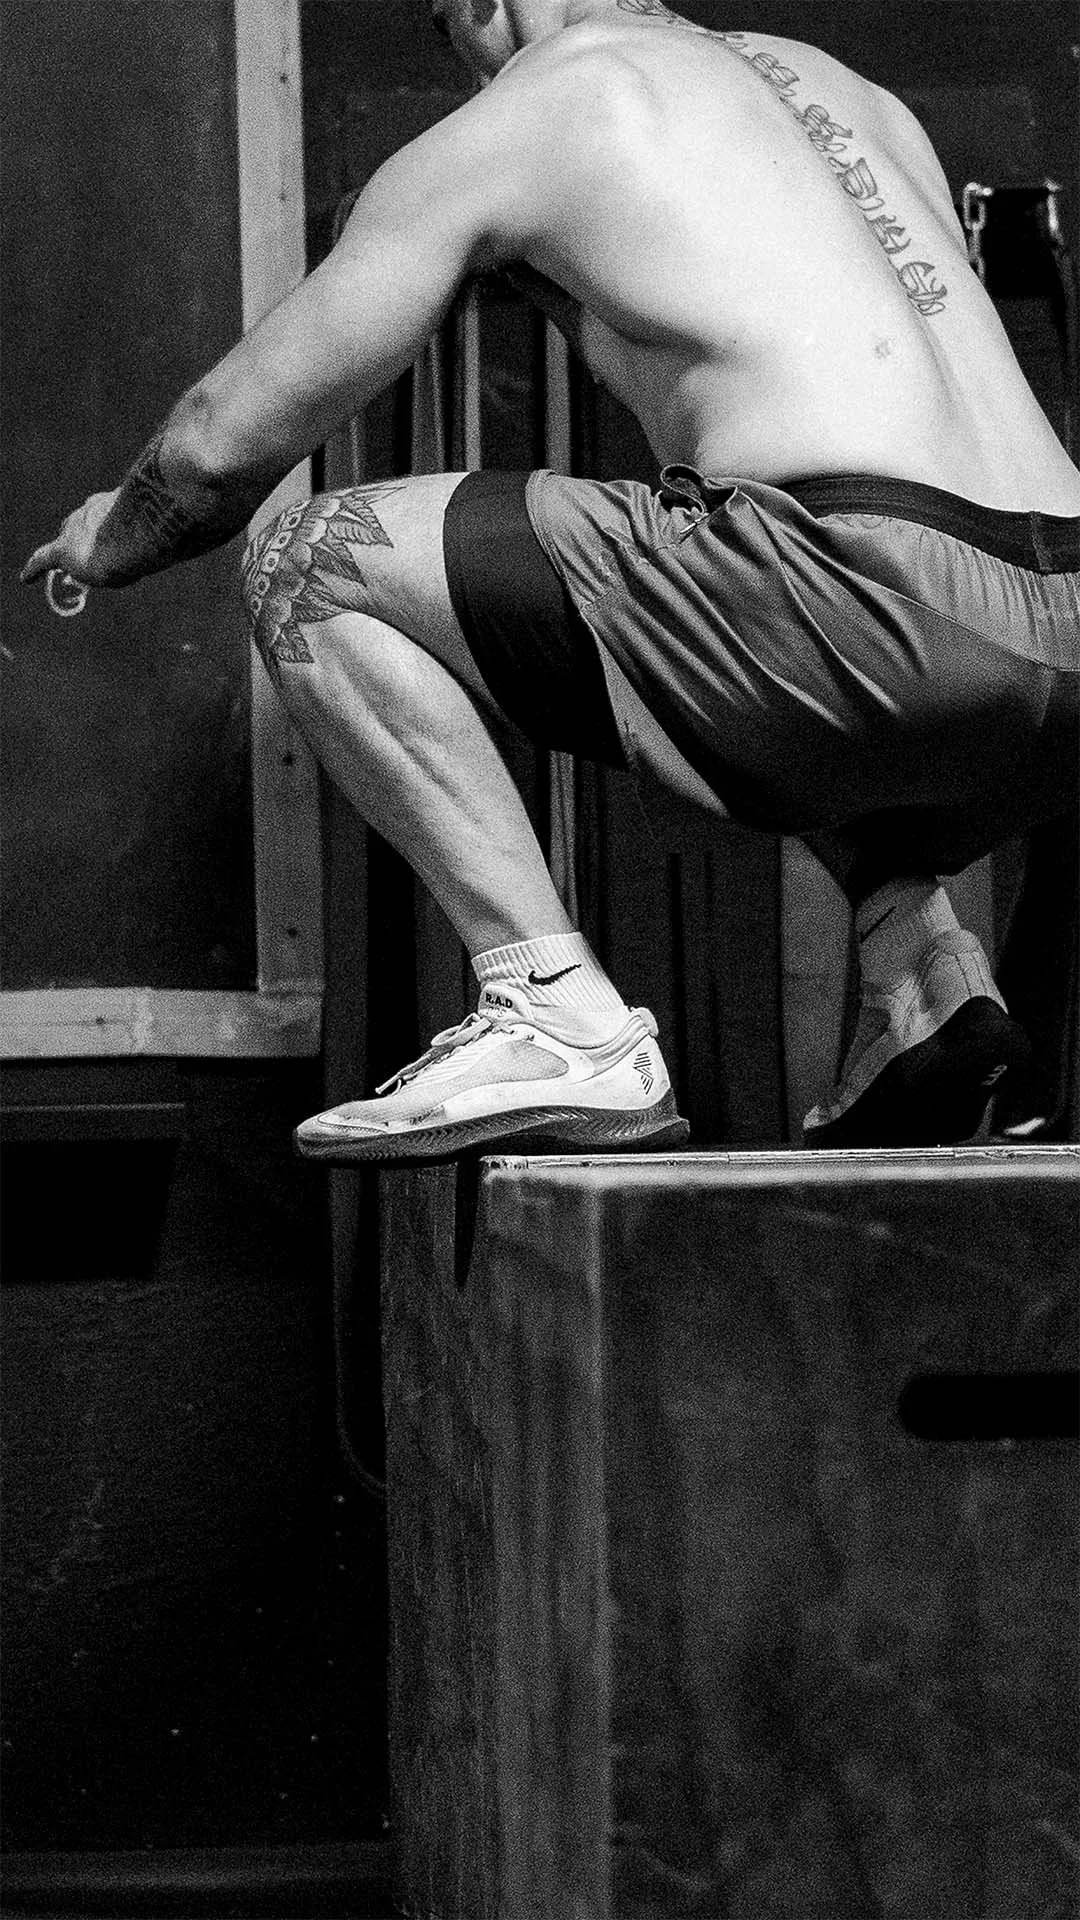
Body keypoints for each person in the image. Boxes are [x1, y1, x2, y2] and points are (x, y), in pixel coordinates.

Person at [23, 0, 1080, 1161]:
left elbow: (220, 449)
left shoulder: (556, 94)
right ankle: (926, 977)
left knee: (308, 561)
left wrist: (112, 537)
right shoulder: (844, 91)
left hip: (857, 603)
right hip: (1058, 641)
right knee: (771, 647)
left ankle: (554, 1013)